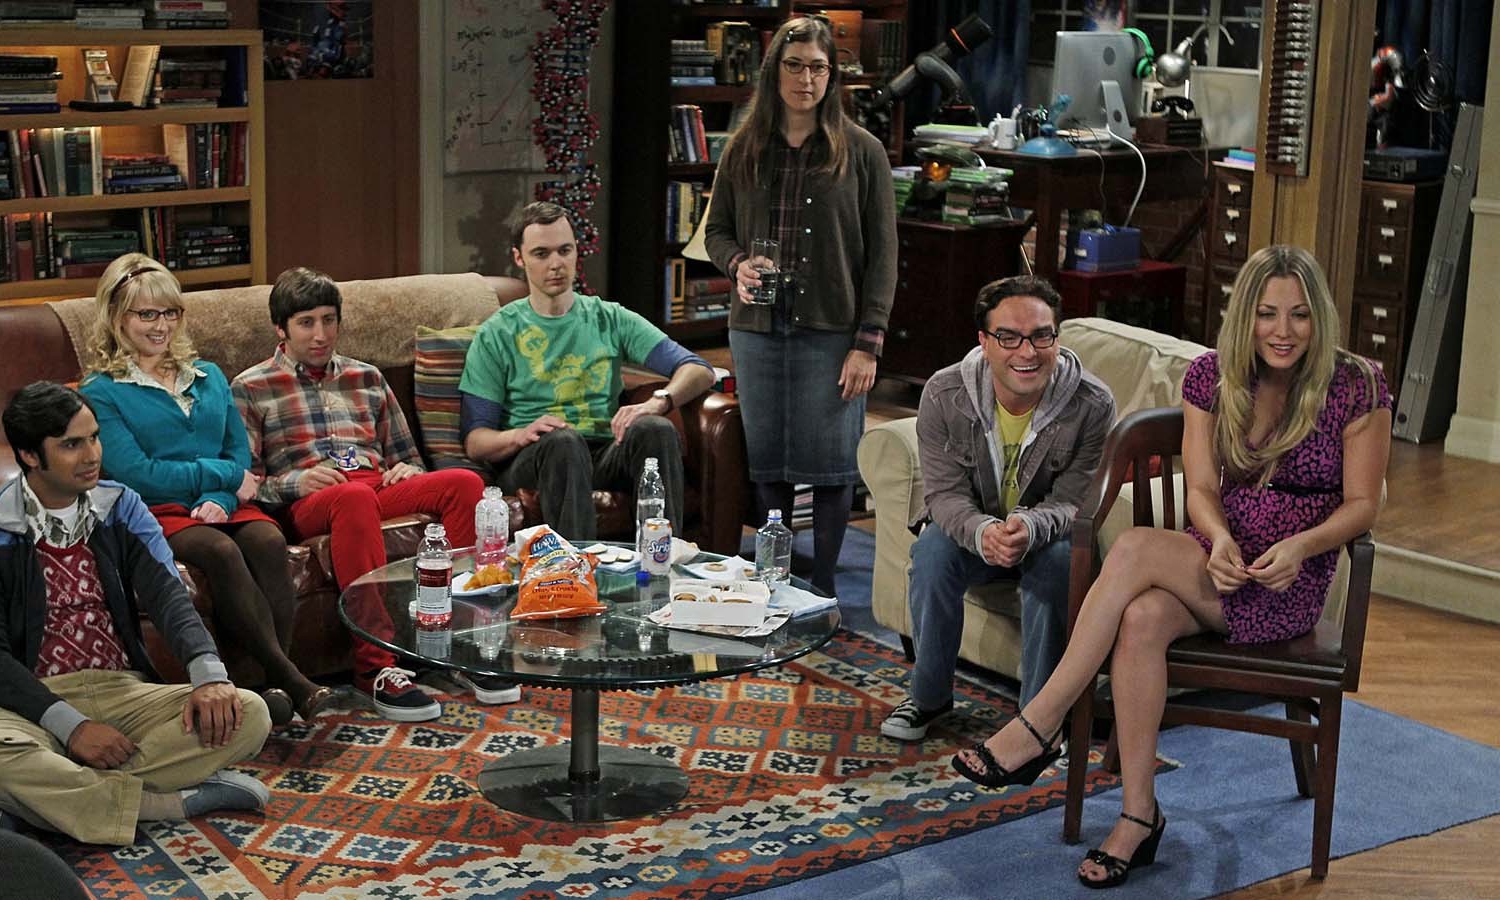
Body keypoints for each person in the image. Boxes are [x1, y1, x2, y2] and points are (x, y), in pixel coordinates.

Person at [951, 246, 1393, 889]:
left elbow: (1363, 505)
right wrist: (1218, 538)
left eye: (1299, 315)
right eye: (1267, 313)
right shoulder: (1213, 376)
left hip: (1285, 581)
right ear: (1246, 315)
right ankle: (1139, 816)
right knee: (1140, 618)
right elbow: (1204, 490)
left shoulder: (1357, 385)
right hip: (1215, 560)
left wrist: (1302, 547)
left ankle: (1041, 723)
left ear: (1318, 318)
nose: (1283, 331)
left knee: (1133, 549)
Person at [0, 382, 272, 846]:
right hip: (25, 704)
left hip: (122, 691)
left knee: (249, 713)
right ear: (30, 455)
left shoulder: (121, 507)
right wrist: (72, 728)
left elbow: (168, 595)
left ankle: (40, 804)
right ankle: (161, 804)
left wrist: (209, 676)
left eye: (94, 437)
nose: (92, 455)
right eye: (71, 445)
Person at [80, 254, 344, 725]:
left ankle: (267, 692)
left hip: (220, 504)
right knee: (219, 551)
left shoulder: (208, 375)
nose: (161, 326)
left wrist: (221, 498)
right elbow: (138, 473)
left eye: (170, 312)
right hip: (151, 509)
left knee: (268, 540)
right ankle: (293, 681)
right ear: (117, 317)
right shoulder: (102, 390)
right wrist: (221, 478)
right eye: (147, 314)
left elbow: (238, 456)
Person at [231, 266, 497, 721]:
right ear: (281, 329)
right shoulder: (250, 387)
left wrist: (407, 470)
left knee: (464, 484)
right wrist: (298, 482)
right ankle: (375, 665)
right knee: (354, 498)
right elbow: (247, 483)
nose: (320, 334)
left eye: (328, 320)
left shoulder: (367, 377)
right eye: (306, 323)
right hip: (309, 499)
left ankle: (454, 643)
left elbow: (406, 456)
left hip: (373, 485)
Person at [704, 15, 898, 595]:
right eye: (794, 66)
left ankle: (826, 587)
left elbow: (884, 257)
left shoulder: (862, 152)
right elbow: (715, 232)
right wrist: (737, 265)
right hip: (757, 329)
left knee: (832, 465)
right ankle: (777, 580)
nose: (806, 79)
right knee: (769, 463)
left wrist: (868, 344)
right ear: (774, 72)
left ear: (832, 76)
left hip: (833, 330)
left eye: (818, 68)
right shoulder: (743, 147)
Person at [879, 275, 1116, 743]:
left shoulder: (1092, 404)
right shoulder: (944, 394)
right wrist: (982, 531)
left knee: (1061, 562)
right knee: (932, 551)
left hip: (1045, 537)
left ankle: (1037, 720)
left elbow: (1075, 500)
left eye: (1041, 336)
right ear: (984, 341)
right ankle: (929, 697)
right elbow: (943, 495)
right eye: (1008, 337)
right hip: (974, 532)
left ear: (1056, 338)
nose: (1027, 352)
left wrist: (1029, 526)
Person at [459, 200, 715, 541]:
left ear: (577, 251)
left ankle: (662, 558)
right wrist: (520, 434)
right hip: (535, 458)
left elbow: (699, 369)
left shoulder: (609, 318)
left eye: (564, 250)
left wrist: (659, 401)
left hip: (603, 452)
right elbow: (476, 442)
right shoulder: (498, 333)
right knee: (563, 442)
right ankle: (576, 568)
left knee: (655, 428)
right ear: (519, 258)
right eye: (541, 254)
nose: (556, 264)